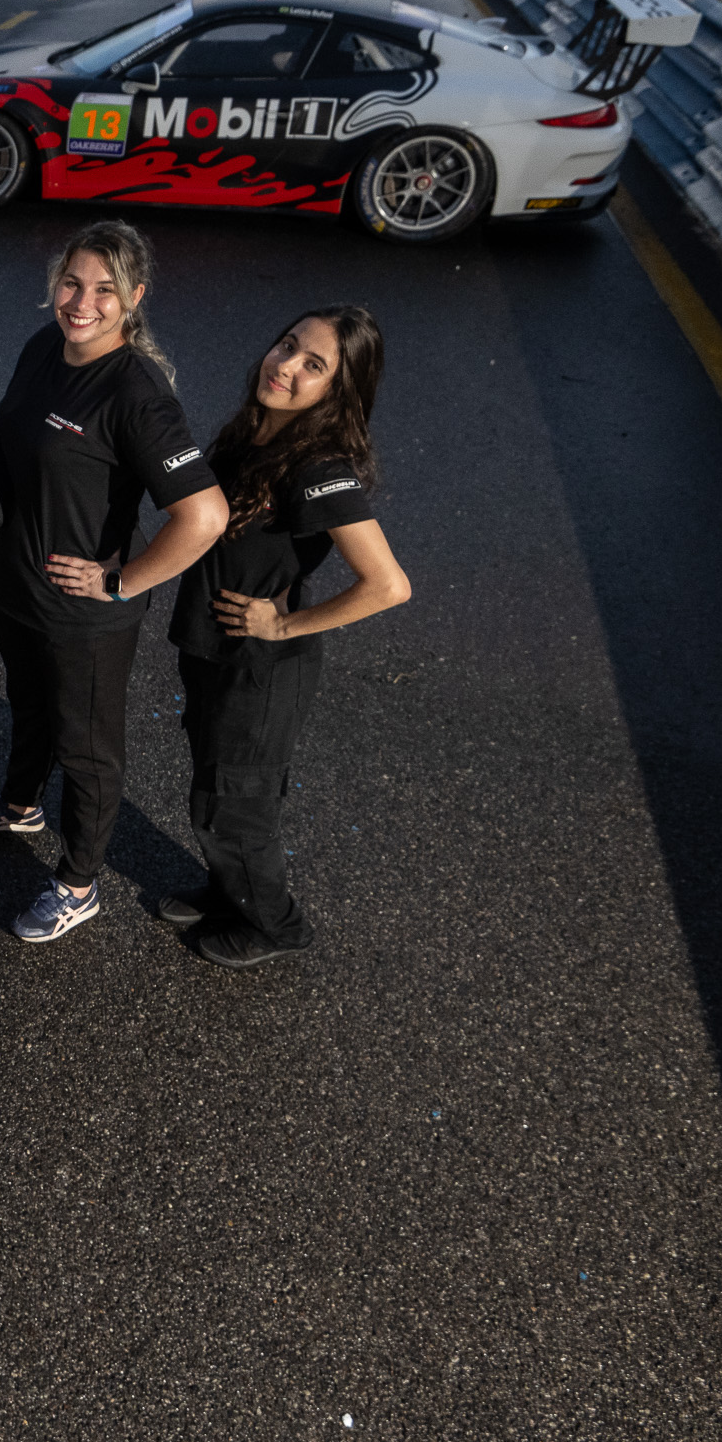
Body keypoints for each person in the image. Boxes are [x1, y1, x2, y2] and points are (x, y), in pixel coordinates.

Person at [0, 220, 228, 942]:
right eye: (72, 282)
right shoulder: (44, 346)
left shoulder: (137, 394)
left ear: (133, 299)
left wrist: (123, 582)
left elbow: (204, 516)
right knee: (29, 704)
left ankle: (78, 883)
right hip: (14, 583)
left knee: (87, 748)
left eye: (105, 290)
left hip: (83, 612)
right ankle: (20, 805)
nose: (83, 301)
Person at [164, 306, 411, 967]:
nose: (286, 366)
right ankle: (228, 893)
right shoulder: (258, 433)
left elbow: (387, 584)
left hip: (261, 669)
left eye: (313, 366)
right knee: (217, 788)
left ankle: (273, 923)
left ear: (339, 390)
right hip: (215, 651)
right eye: (287, 345)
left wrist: (282, 623)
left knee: (235, 807)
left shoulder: (316, 462)